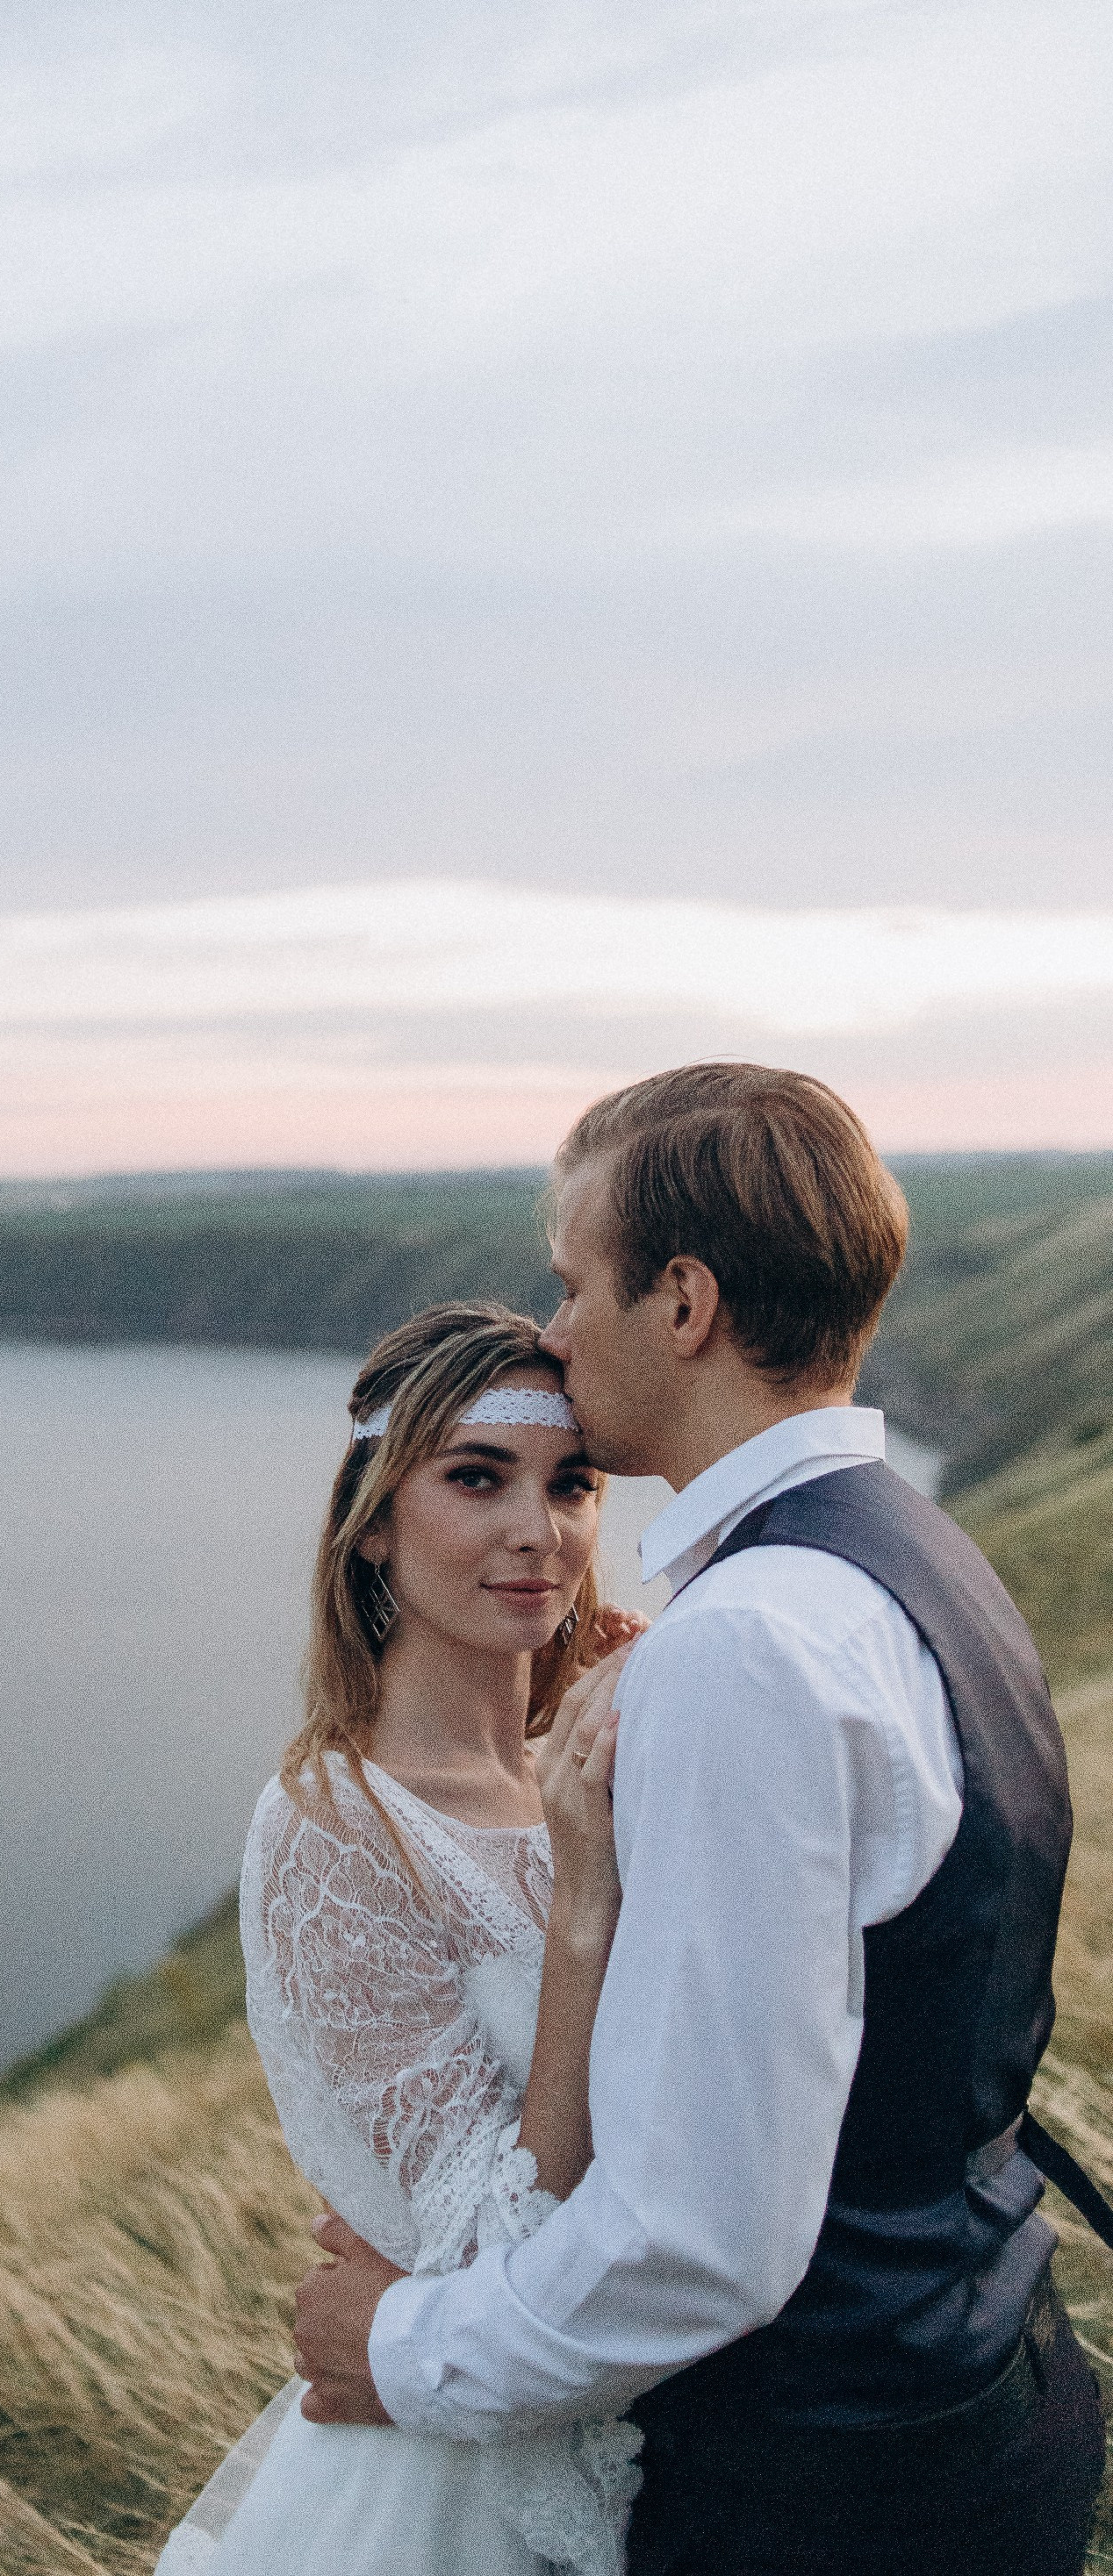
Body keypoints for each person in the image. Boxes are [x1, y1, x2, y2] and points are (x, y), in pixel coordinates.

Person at [294, 1063, 1106, 2576]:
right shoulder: (913, 1558)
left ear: (683, 1300)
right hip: (987, 2394)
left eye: (573, 1277)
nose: (552, 1328)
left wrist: (400, 2349)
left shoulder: (748, 1644)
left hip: (831, 2496)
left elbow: (703, 2236)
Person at [154, 1299, 650, 2575]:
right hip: (454, 2491)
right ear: (373, 1522)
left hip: (661, 2410)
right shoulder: (335, 1828)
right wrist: (586, 1906)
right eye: (476, 1480)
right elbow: (489, 2246)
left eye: (572, 1483)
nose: (537, 1531)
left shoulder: (591, 1761)